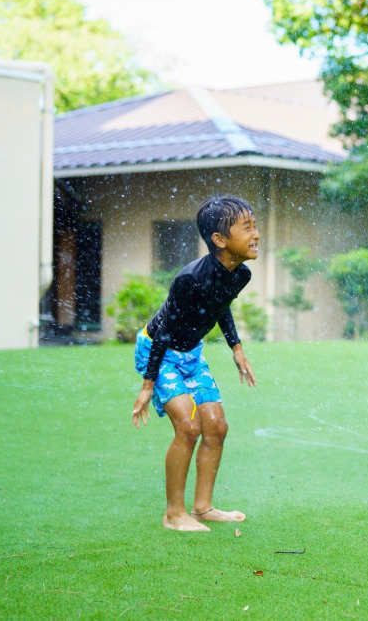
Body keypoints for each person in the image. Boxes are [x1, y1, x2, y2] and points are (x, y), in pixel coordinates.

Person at [131, 195, 260, 532]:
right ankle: (174, 514)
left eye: (254, 226)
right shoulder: (189, 279)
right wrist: (147, 386)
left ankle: (202, 508)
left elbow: (221, 305)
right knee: (188, 427)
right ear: (220, 240)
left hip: (191, 353)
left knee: (216, 426)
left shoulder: (239, 274)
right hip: (159, 350)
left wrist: (236, 347)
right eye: (247, 228)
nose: (256, 234)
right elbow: (164, 332)